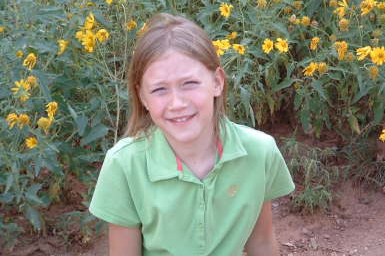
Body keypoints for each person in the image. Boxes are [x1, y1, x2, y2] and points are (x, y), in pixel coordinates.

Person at [89, 13, 295, 256]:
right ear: (142, 97)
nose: (177, 103)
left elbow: (261, 243)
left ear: (217, 82)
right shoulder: (124, 165)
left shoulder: (259, 153)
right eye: (159, 89)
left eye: (189, 83)